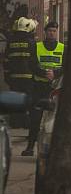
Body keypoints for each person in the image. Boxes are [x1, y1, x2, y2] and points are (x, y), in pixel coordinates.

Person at [2, 17, 41, 155]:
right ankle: (26, 125)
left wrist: (8, 77)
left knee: (14, 104)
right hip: (28, 80)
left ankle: (15, 123)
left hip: (14, 80)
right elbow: (34, 62)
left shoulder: (10, 42)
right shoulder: (31, 43)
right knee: (29, 105)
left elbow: (6, 61)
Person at [27, 21, 65, 155]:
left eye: (54, 31)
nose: (52, 33)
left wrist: (55, 74)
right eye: (49, 31)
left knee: (56, 120)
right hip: (39, 87)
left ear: (57, 32)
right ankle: (30, 147)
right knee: (35, 119)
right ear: (45, 32)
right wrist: (44, 73)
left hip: (56, 89)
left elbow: (66, 66)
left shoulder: (62, 48)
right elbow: (31, 64)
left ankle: (57, 148)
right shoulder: (36, 46)